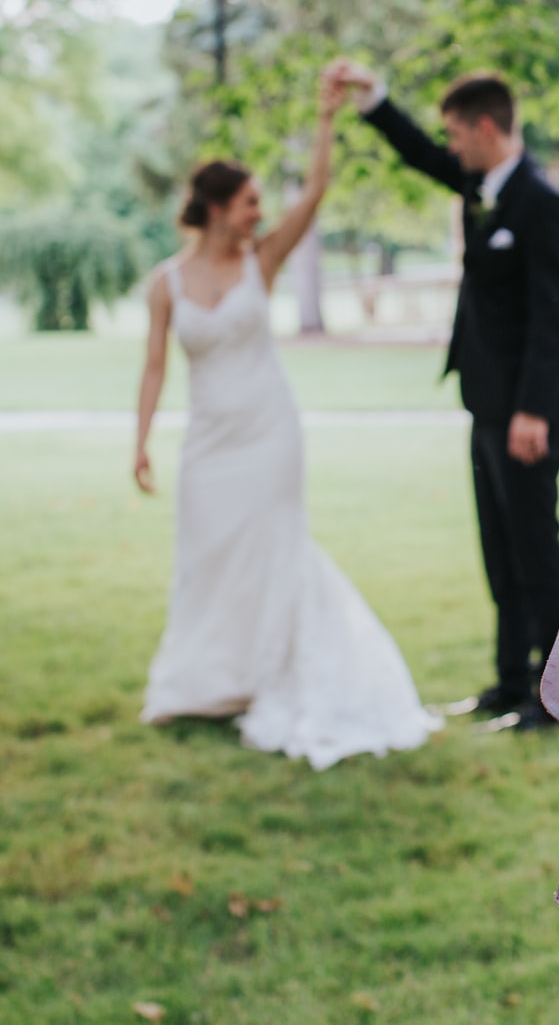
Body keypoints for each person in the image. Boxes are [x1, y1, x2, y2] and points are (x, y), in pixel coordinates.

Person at [133, 74, 438, 767]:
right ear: (213, 208)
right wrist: (141, 440)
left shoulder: (262, 261)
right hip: (209, 441)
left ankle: (267, 673)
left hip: (269, 432)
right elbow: (153, 367)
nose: (256, 215)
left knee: (273, 552)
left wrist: (326, 116)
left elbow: (316, 193)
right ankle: (204, 680)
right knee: (208, 556)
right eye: (246, 204)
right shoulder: (165, 283)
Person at [326, 60, 559, 732]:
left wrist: (529, 408)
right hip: (484, 400)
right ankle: (507, 681)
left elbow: (552, 316)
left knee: (534, 548)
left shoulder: (540, 203)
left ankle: (553, 696)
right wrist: (374, 101)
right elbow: (418, 155)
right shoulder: (478, 186)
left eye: (456, 134)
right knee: (497, 546)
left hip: (527, 409)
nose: (452, 147)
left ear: (486, 127)